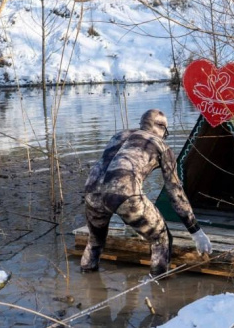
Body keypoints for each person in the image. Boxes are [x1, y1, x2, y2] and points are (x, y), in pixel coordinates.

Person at [81, 109, 212, 276]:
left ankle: (87, 279)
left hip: (91, 191)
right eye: (166, 131)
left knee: (95, 242)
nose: (165, 135)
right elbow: (175, 193)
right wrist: (196, 232)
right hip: (124, 192)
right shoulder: (161, 145)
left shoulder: (118, 136)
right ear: (161, 127)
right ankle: (159, 286)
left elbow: (110, 177)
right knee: (161, 239)